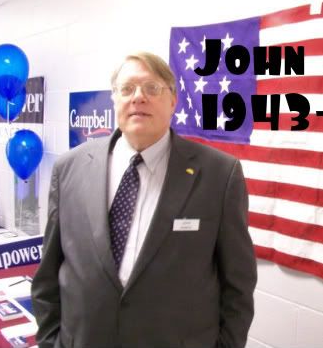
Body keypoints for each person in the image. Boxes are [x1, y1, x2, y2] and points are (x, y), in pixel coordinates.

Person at [31, 52, 257, 348]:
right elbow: (48, 274)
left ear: (173, 100)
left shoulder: (219, 175)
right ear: (114, 99)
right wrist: (51, 342)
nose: (138, 97)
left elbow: (238, 287)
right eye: (127, 89)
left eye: (152, 88)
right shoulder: (69, 169)